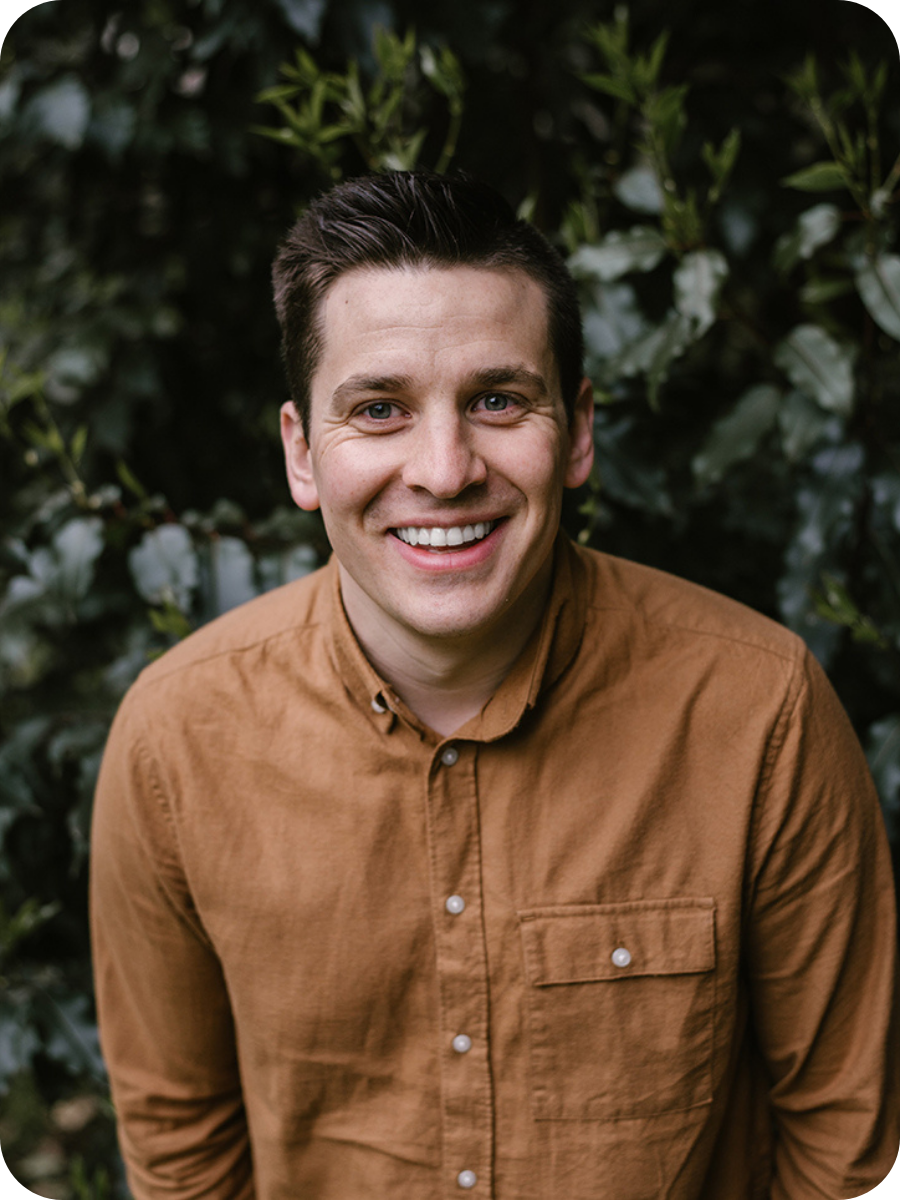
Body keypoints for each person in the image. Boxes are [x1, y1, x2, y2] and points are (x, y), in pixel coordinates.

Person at [90, 170, 899, 1200]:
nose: (444, 467)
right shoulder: (174, 743)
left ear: (579, 432)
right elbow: (183, 1159)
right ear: (301, 455)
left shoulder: (761, 712)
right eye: (379, 409)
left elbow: (848, 1148)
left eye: (498, 400)